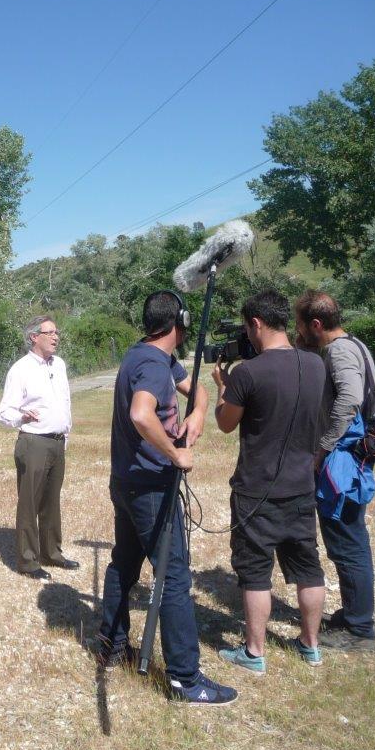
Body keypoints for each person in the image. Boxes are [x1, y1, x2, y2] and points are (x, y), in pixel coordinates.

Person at [95, 290, 237, 706]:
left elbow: (198, 391)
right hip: (151, 487)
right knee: (172, 577)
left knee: (123, 563)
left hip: (127, 481)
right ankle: (185, 679)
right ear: (181, 324)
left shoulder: (146, 355)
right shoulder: (155, 366)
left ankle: (111, 644)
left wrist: (196, 414)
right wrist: (175, 452)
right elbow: (141, 414)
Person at [211, 290, 327, 675]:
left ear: (256, 324)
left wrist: (222, 388)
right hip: (301, 486)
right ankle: (311, 645)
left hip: (256, 490)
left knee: (255, 572)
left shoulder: (248, 373)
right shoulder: (315, 365)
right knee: (309, 568)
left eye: (247, 326)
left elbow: (226, 423)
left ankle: (254, 651)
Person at [295, 290, 375, 651]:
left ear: (316, 324)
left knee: (348, 543)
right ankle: (353, 614)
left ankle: (359, 630)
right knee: (348, 540)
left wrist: (322, 447)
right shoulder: (351, 345)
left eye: (300, 325)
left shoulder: (341, 351)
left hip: (341, 460)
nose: (297, 331)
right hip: (345, 458)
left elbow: (350, 400)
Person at [0, 316, 79, 580]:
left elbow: (64, 402)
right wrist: (22, 417)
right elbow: (5, 412)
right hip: (34, 442)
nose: (56, 337)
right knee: (29, 503)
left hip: (57, 442)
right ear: (34, 337)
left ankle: (52, 553)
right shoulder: (20, 370)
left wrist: (65, 434)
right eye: (50, 332)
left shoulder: (60, 365)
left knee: (51, 501)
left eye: (57, 332)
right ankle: (28, 561)